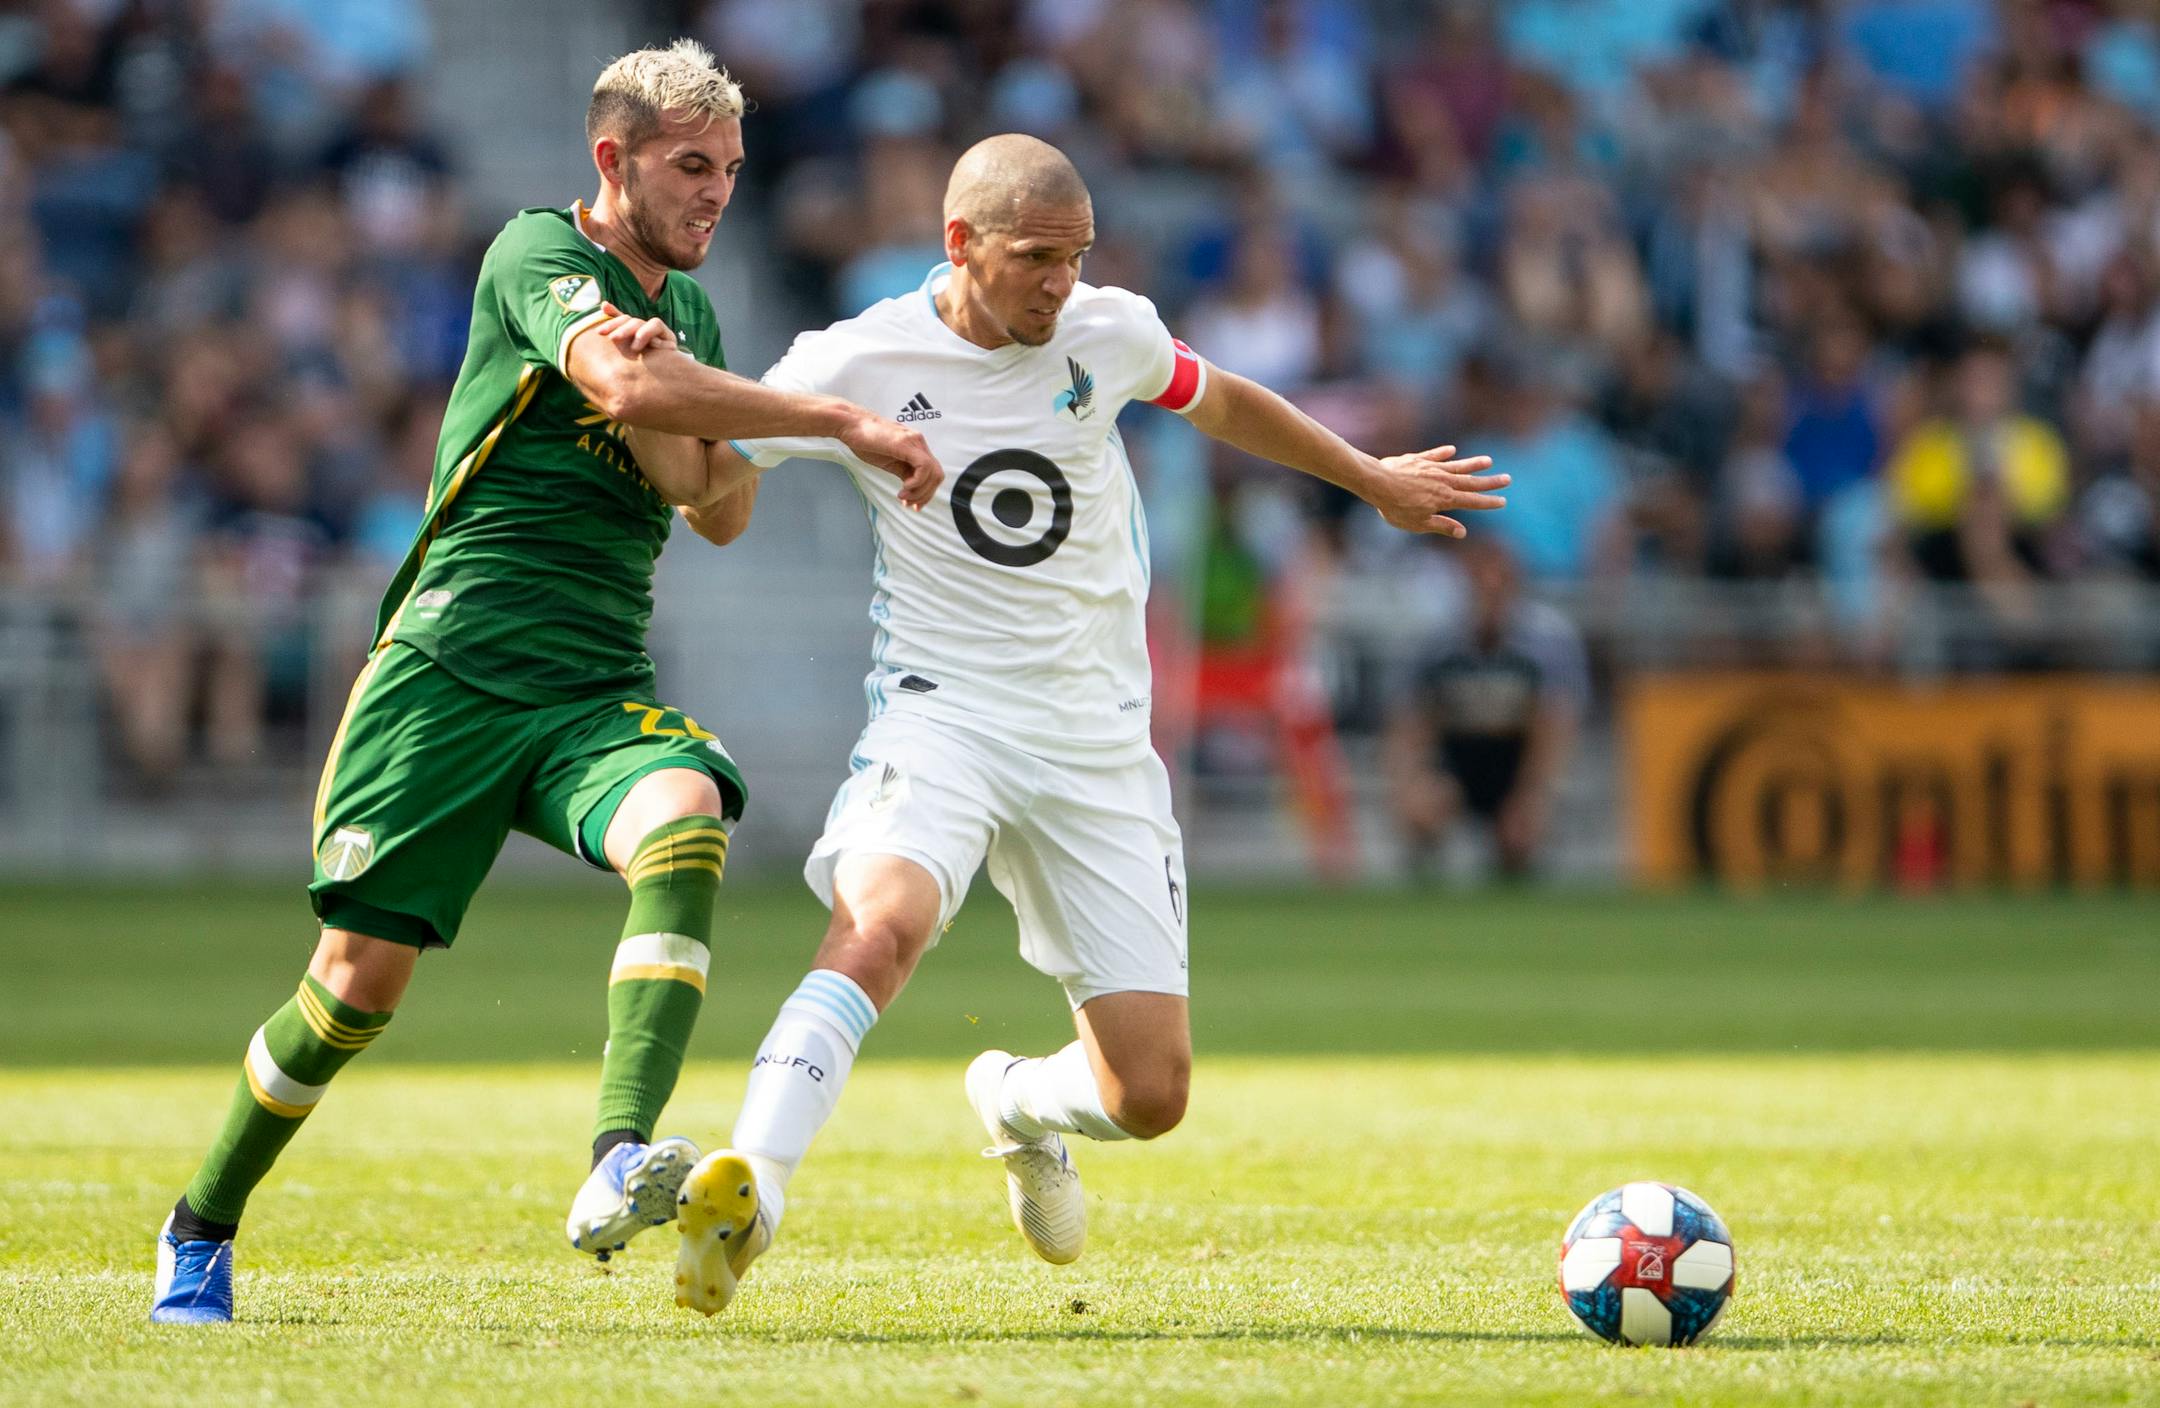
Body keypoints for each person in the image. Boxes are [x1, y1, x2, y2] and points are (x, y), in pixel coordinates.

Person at [148, 39, 943, 1325]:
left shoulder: (687, 315)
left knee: (686, 810)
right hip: (449, 672)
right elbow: (618, 377)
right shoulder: (535, 255)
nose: (715, 194)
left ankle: (617, 1156)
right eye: (691, 166)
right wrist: (831, 420)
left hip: (591, 680)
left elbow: (710, 505)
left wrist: (762, 417)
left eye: (732, 171)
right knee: (356, 984)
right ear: (610, 159)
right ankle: (200, 1225)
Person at [658, 134, 1507, 1317]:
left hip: (1099, 741)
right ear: (960, 244)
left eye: (1077, 256)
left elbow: (1222, 402)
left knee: (1150, 1094)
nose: (1061, 283)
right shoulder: (852, 358)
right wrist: (704, 433)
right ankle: (754, 1181)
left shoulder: (1108, 331)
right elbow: (708, 485)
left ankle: (1009, 1098)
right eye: (1036, 258)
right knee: (881, 921)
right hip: (943, 718)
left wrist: (1368, 477)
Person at [1381, 536, 1588, 879]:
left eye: (1499, 584)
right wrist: (1410, 782)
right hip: (1457, 764)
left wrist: (1533, 795)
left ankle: (1516, 887)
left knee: (1522, 834)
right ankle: (1426, 892)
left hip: (1515, 765)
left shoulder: (1547, 642)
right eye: (1479, 583)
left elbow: (1555, 725)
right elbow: (1409, 720)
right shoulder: (1437, 641)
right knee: (1422, 808)